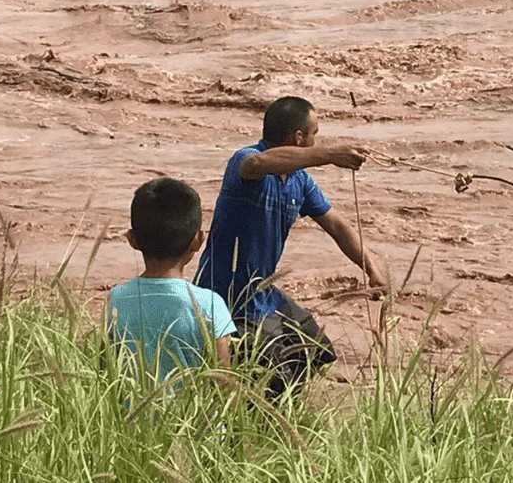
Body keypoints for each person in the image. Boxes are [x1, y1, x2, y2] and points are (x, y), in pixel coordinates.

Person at [193, 96, 389, 400]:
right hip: (228, 295)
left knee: (316, 351)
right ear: (299, 138)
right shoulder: (245, 160)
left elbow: (337, 226)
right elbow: (259, 164)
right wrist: (329, 155)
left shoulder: (300, 181)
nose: (316, 141)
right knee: (274, 374)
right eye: (315, 134)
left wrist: (372, 269)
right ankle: (256, 419)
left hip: (263, 293)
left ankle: (275, 410)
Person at [106, 177, 235, 389]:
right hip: (197, 422)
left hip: (132, 422)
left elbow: (107, 374)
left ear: (132, 239)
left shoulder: (116, 300)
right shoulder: (209, 304)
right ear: (199, 240)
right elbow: (224, 385)